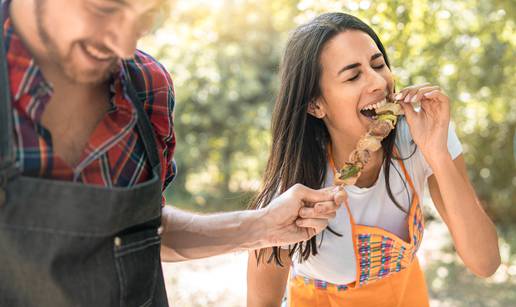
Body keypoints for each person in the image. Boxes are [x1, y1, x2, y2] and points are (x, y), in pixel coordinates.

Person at [0, 1, 346, 306]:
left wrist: (263, 226)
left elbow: (146, 231)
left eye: (147, 15)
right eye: (105, 8)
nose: (124, 45)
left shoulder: (146, 86)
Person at [247, 12, 501, 307]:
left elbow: (486, 263)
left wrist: (438, 154)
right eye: (353, 75)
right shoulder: (292, 192)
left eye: (378, 64)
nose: (378, 81)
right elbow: (261, 302)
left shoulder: (422, 136)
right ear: (315, 105)